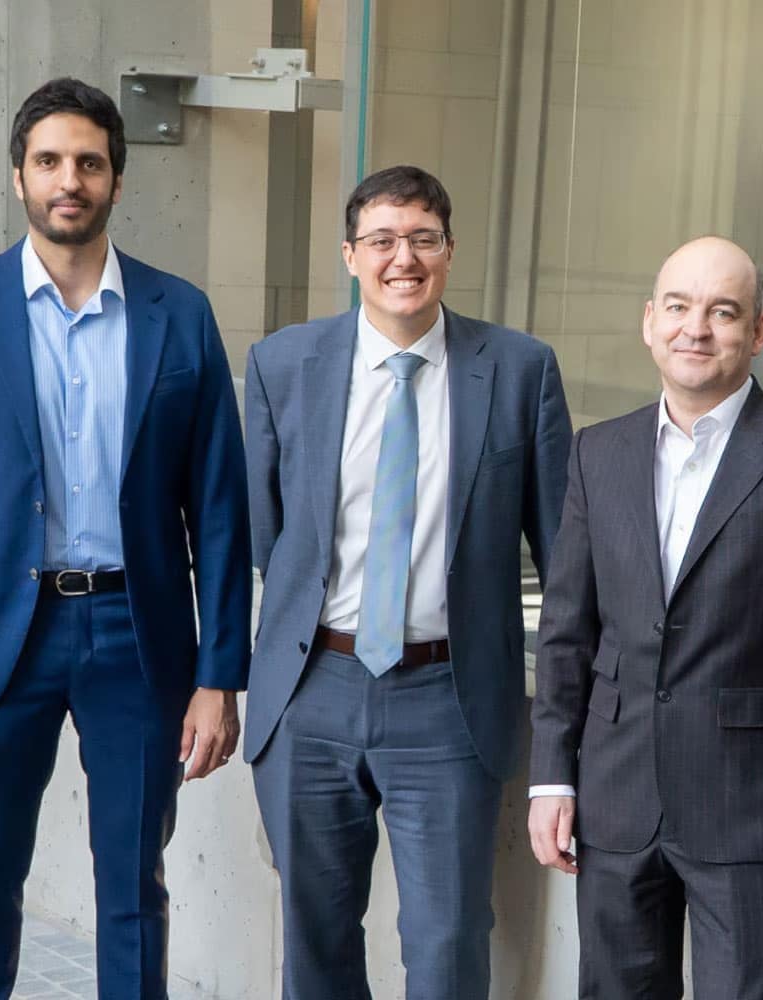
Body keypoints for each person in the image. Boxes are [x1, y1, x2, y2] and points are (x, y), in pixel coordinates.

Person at [0, 77, 251, 999]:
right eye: (49, 161)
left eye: (89, 163)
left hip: (137, 638)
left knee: (133, 887)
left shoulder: (180, 314)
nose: (70, 180)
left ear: (116, 181)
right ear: (18, 176)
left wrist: (219, 675)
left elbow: (219, 510)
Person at [242, 164, 571, 999]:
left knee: (448, 938)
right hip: (311, 689)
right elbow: (269, 536)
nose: (404, 258)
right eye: (383, 240)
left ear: (450, 251)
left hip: (447, 699)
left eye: (424, 239)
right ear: (350, 254)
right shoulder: (283, 364)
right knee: (314, 935)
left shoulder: (520, 369)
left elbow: (563, 552)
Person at [527, 236, 763, 999]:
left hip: (749, 801)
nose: (696, 329)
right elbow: (567, 630)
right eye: (678, 307)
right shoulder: (597, 453)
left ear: (759, 331)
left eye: (723, 311)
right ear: (650, 320)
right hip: (615, 793)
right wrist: (551, 775)